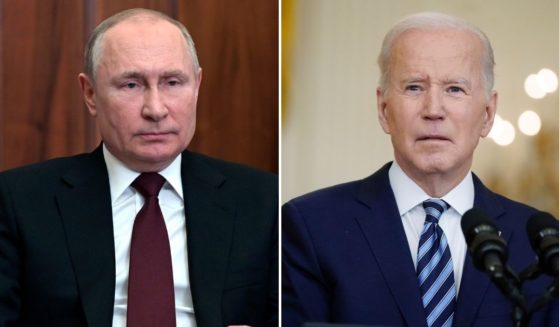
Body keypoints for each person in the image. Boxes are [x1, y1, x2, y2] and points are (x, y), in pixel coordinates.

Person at [0, 8, 277, 327]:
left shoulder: (263, 200)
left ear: (197, 85)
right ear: (90, 93)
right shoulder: (19, 202)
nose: (156, 109)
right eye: (131, 85)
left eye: (173, 82)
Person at [282, 12, 559, 327]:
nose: (433, 110)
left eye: (454, 89)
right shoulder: (311, 227)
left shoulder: (538, 243)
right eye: (414, 87)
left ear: (488, 113)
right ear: (384, 109)